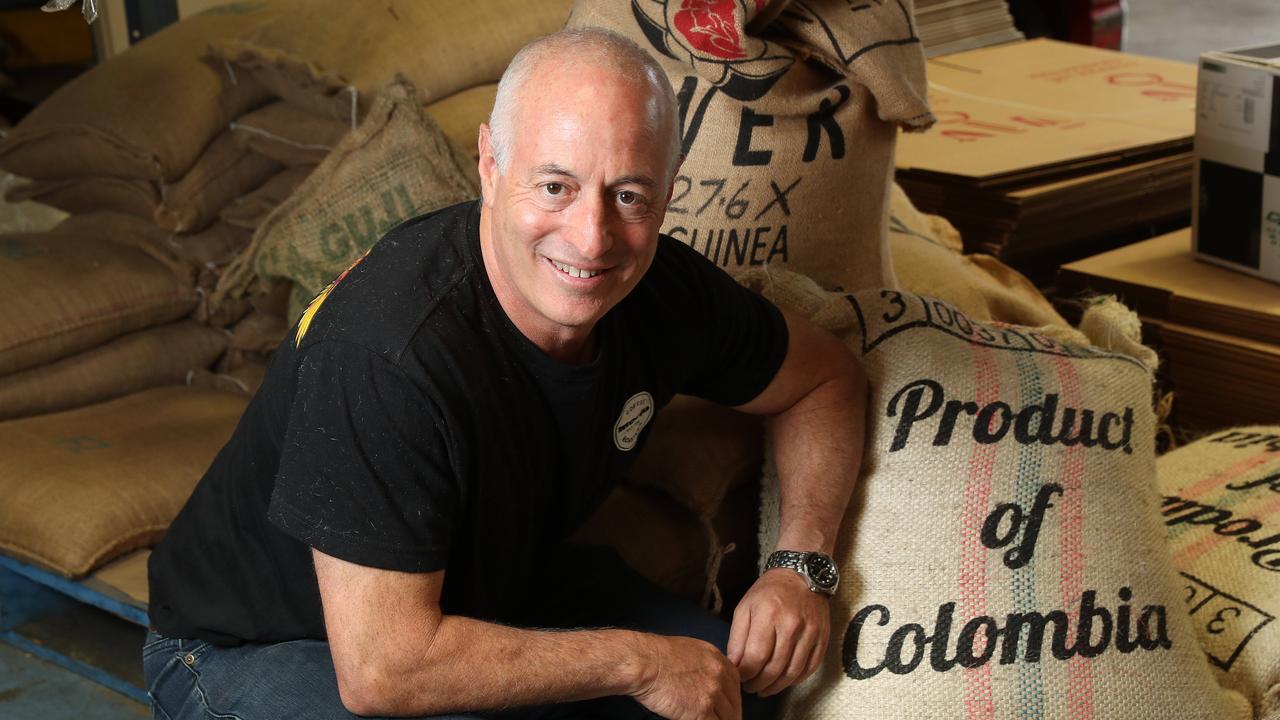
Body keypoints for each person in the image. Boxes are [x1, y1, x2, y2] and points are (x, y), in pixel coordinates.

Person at [144, 27, 866, 720]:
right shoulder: (387, 350)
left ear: (669, 190)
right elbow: (382, 669)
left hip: (484, 595)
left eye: (629, 196)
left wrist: (799, 567)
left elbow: (825, 379)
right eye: (555, 186)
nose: (591, 238)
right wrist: (639, 662)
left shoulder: (658, 290)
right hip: (264, 648)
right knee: (667, 675)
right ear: (491, 164)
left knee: (737, 683)